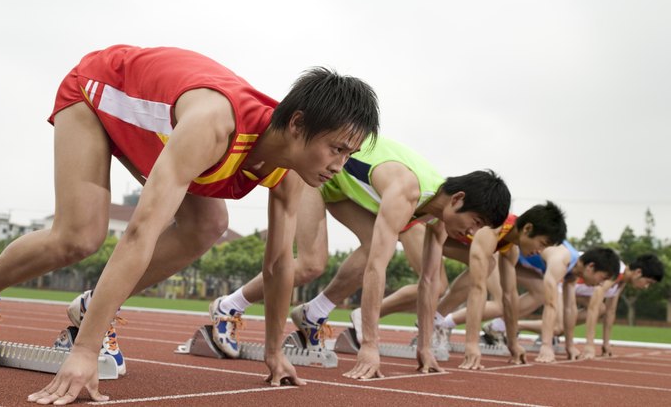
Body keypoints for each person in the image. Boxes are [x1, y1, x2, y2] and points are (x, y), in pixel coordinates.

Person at [0, 44, 379, 405]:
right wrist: (85, 350)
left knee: (207, 224)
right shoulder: (214, 126)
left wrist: (273, 352)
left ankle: (91, 306)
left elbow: (279, 265)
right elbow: (141, 231)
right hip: (98, 93)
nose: (339, 166)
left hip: (160, 129)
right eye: (335, 149)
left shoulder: (288, 171)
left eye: (348, 154)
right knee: (79, 237)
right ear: (299, 123)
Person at [208, 135, 511, 379]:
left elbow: (429, 281)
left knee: (374, 247)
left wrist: (425, 347)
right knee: (312, 263)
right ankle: (228, 306)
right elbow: (377, 269)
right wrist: (370, 345)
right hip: (318, 171)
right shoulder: (407, 190)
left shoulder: (439, 217)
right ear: (458, 199)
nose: (473, 231)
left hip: (342, 188)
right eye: (476, 222)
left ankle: (314, 313)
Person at [357, 202, 567, 370]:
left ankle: (433, 321)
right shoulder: (492, 230)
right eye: (543, 244)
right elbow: (477, 289)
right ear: (528, 228)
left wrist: (513, 342)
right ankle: (367, 315)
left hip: (444, 236)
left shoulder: (509, 247)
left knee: (488, 264)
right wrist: (471, 344)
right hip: (420, 226)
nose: (540, 251)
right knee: (437, 285)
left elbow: (510, 296)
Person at [478, 245, 620, 363]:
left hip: (513, 261)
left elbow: (570, 308)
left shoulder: (573, 271)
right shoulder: (562, 261)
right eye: (603, 278)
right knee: (501, 306)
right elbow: (550, 303)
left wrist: (569, 345)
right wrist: (546, 345)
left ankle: (496, 325)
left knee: (536, 294)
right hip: (498, 256)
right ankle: (478, 326)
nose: (601, 283)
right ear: (591, 266)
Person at [516, 253, 664, 359]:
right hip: (560, 280)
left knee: (602, 309)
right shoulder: (614, 271)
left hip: (572, 290)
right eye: (648, 282)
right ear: (638, 272)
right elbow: (592, 306)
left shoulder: (621, 281)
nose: (646, 287)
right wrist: (589, 345)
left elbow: (610, 312)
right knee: (559, 327)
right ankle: (515, 326)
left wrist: (606, 343)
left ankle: (541, 330)